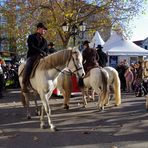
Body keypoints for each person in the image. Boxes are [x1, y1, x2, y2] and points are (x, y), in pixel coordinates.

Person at [22, 22, 48, 92]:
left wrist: (46, 54)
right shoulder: (31, 37)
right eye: (43, 29)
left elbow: (46, 50)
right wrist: (41, 51)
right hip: (32, 56)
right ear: (39, 29)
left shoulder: (45, 41)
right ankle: (24, 84)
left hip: (42, 57)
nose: (44, 31)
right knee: (28, 65)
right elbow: (31, 47)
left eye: (45, 30)